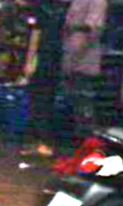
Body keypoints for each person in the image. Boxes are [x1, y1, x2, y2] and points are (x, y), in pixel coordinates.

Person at [21, 0, 68, 157]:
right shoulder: (57, 10)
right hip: (55, 59)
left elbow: (35, 38)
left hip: (42, 60)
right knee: (46, 100)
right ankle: (43, 142)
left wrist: (29, 62)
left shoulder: (39, 10)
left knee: (39, 101)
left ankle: (45, 143)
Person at [61, 0, 107, 143]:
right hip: (70, 56)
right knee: (73, 100)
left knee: (84, 101)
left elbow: (93, 27)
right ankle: (77, 139)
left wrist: (77, 53)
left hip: (85, 59)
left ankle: (88, 141)